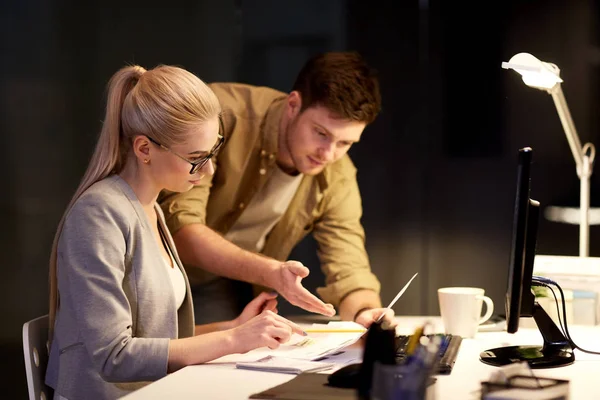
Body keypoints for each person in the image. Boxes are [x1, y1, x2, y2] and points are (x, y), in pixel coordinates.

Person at [45, 64, 318, 400]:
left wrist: (233, 328)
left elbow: (159, 338)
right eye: (196, 158)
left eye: (214, 153)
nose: (209, 170)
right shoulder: (98, 215)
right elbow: (115, 356)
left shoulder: (151, 209)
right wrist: (233, 341)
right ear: (144, 149)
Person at [159, 51, 393, 328]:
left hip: (221, 284)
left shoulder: (337, 175)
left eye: (345, 143)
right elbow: (180, 230)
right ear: (294, 105)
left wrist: (365, 313)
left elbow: (349, 267)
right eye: (321, 133)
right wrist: (272, 272)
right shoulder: (220, 116)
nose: (328, 154)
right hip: (153, 270)